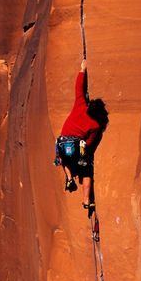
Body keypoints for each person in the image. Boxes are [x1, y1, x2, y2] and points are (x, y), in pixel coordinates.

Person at [55, 59, 108, 217]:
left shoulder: (80, 105)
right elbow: (90, 142)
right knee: (86, 172)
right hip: (79, 144)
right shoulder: (96, 125)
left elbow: (78, 88)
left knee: (63, 158)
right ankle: (86, 200)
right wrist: (86, 155)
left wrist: (82, 69)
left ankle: (69, 176)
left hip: (63, 141)